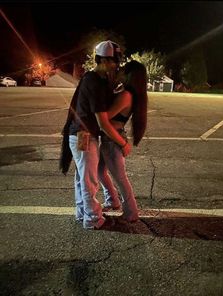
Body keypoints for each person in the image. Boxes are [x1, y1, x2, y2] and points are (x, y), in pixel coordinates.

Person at [59, 40, 131, 230]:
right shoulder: (95, 82)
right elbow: (103, 123)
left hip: (80, 133)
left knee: (82, 176)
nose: (116, 65)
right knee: (89, 178)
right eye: (114, 61)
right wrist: (123, 143)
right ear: (105, 60)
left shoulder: (93, 79)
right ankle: (92, 219)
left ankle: (82, 212)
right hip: (84, 134)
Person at [98, 60, 148, 222]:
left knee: (120, 177)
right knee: (99, 171)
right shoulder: (128, 92)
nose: (121, 72)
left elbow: (106, 116)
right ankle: (112, 200)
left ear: (130, 75)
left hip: (113, 139)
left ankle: (131, 211)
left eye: (124, 71)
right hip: (111, 138)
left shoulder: (126, 95)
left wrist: (122, 143)